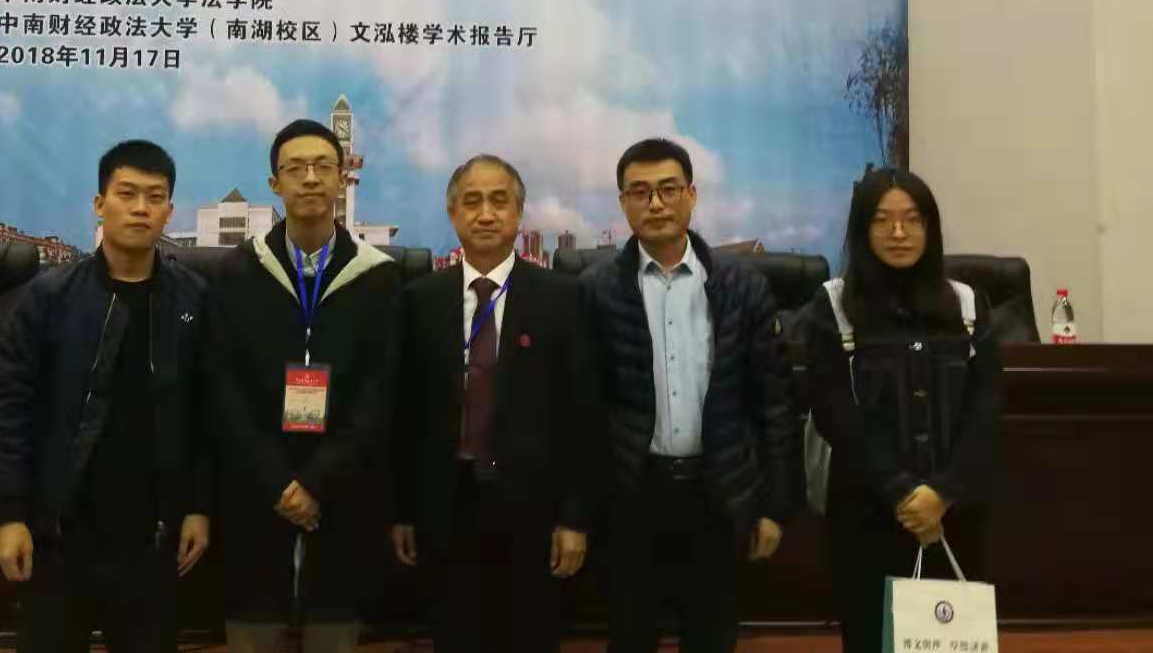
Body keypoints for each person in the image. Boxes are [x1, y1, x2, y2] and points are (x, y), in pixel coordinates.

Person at [0, 140, 212, 653]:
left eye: (155, 197)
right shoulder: (50, 297)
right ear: (99, 204)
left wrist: (199, 507)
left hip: (152, 536)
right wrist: (11, 514)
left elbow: (203, 416)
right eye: (126, 194)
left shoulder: (193, 299)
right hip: (60, 533)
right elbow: (11, 409)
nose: (140, 208)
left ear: (169, 211)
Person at [580, 138, 802, 653]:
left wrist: (776, 505)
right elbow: (583, 408)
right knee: (630, 635)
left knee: (712, 635)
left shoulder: (740, 285)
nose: (656, 203)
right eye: (641, 192)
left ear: (692, 195)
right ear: (623, 203)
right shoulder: (595, 289)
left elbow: (774, 403)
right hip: (631, 494)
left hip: (717, 492)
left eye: (668, 189)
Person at [207, 118, 402, 653]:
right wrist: (276, 480)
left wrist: (317, 479)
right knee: (253, 630)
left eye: (323, 166)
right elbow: (224, 389)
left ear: (342, 178)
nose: (310, 178)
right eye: (296, 168)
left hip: (343, 492)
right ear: (275, 183)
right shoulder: (237, 273)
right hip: (257, 492)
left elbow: (380, 392)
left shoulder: (378, 277)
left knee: (333, 632)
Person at [392, 155, 602, 652]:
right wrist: (402, 511)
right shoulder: (420, 300)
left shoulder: (562, 299)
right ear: (452, 214)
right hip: (447, 506)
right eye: (472, 202)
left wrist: (574, 517)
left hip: (534, 509)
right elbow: (405, 416)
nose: (486, 214)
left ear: (518, 213)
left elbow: (583, 417)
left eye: (499, 201)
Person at [808, 168, 1001, 653]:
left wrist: (942, 492)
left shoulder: (968, 305)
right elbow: (834, 411)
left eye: (913, 220)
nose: (899, 232)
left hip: (954, 515)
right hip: (867, 515)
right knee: (871, 638)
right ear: (862, 230)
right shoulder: (834, 306)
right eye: (883, 220)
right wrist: (902, 492)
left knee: (953, 641)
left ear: (930, 228)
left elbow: (985, 407)